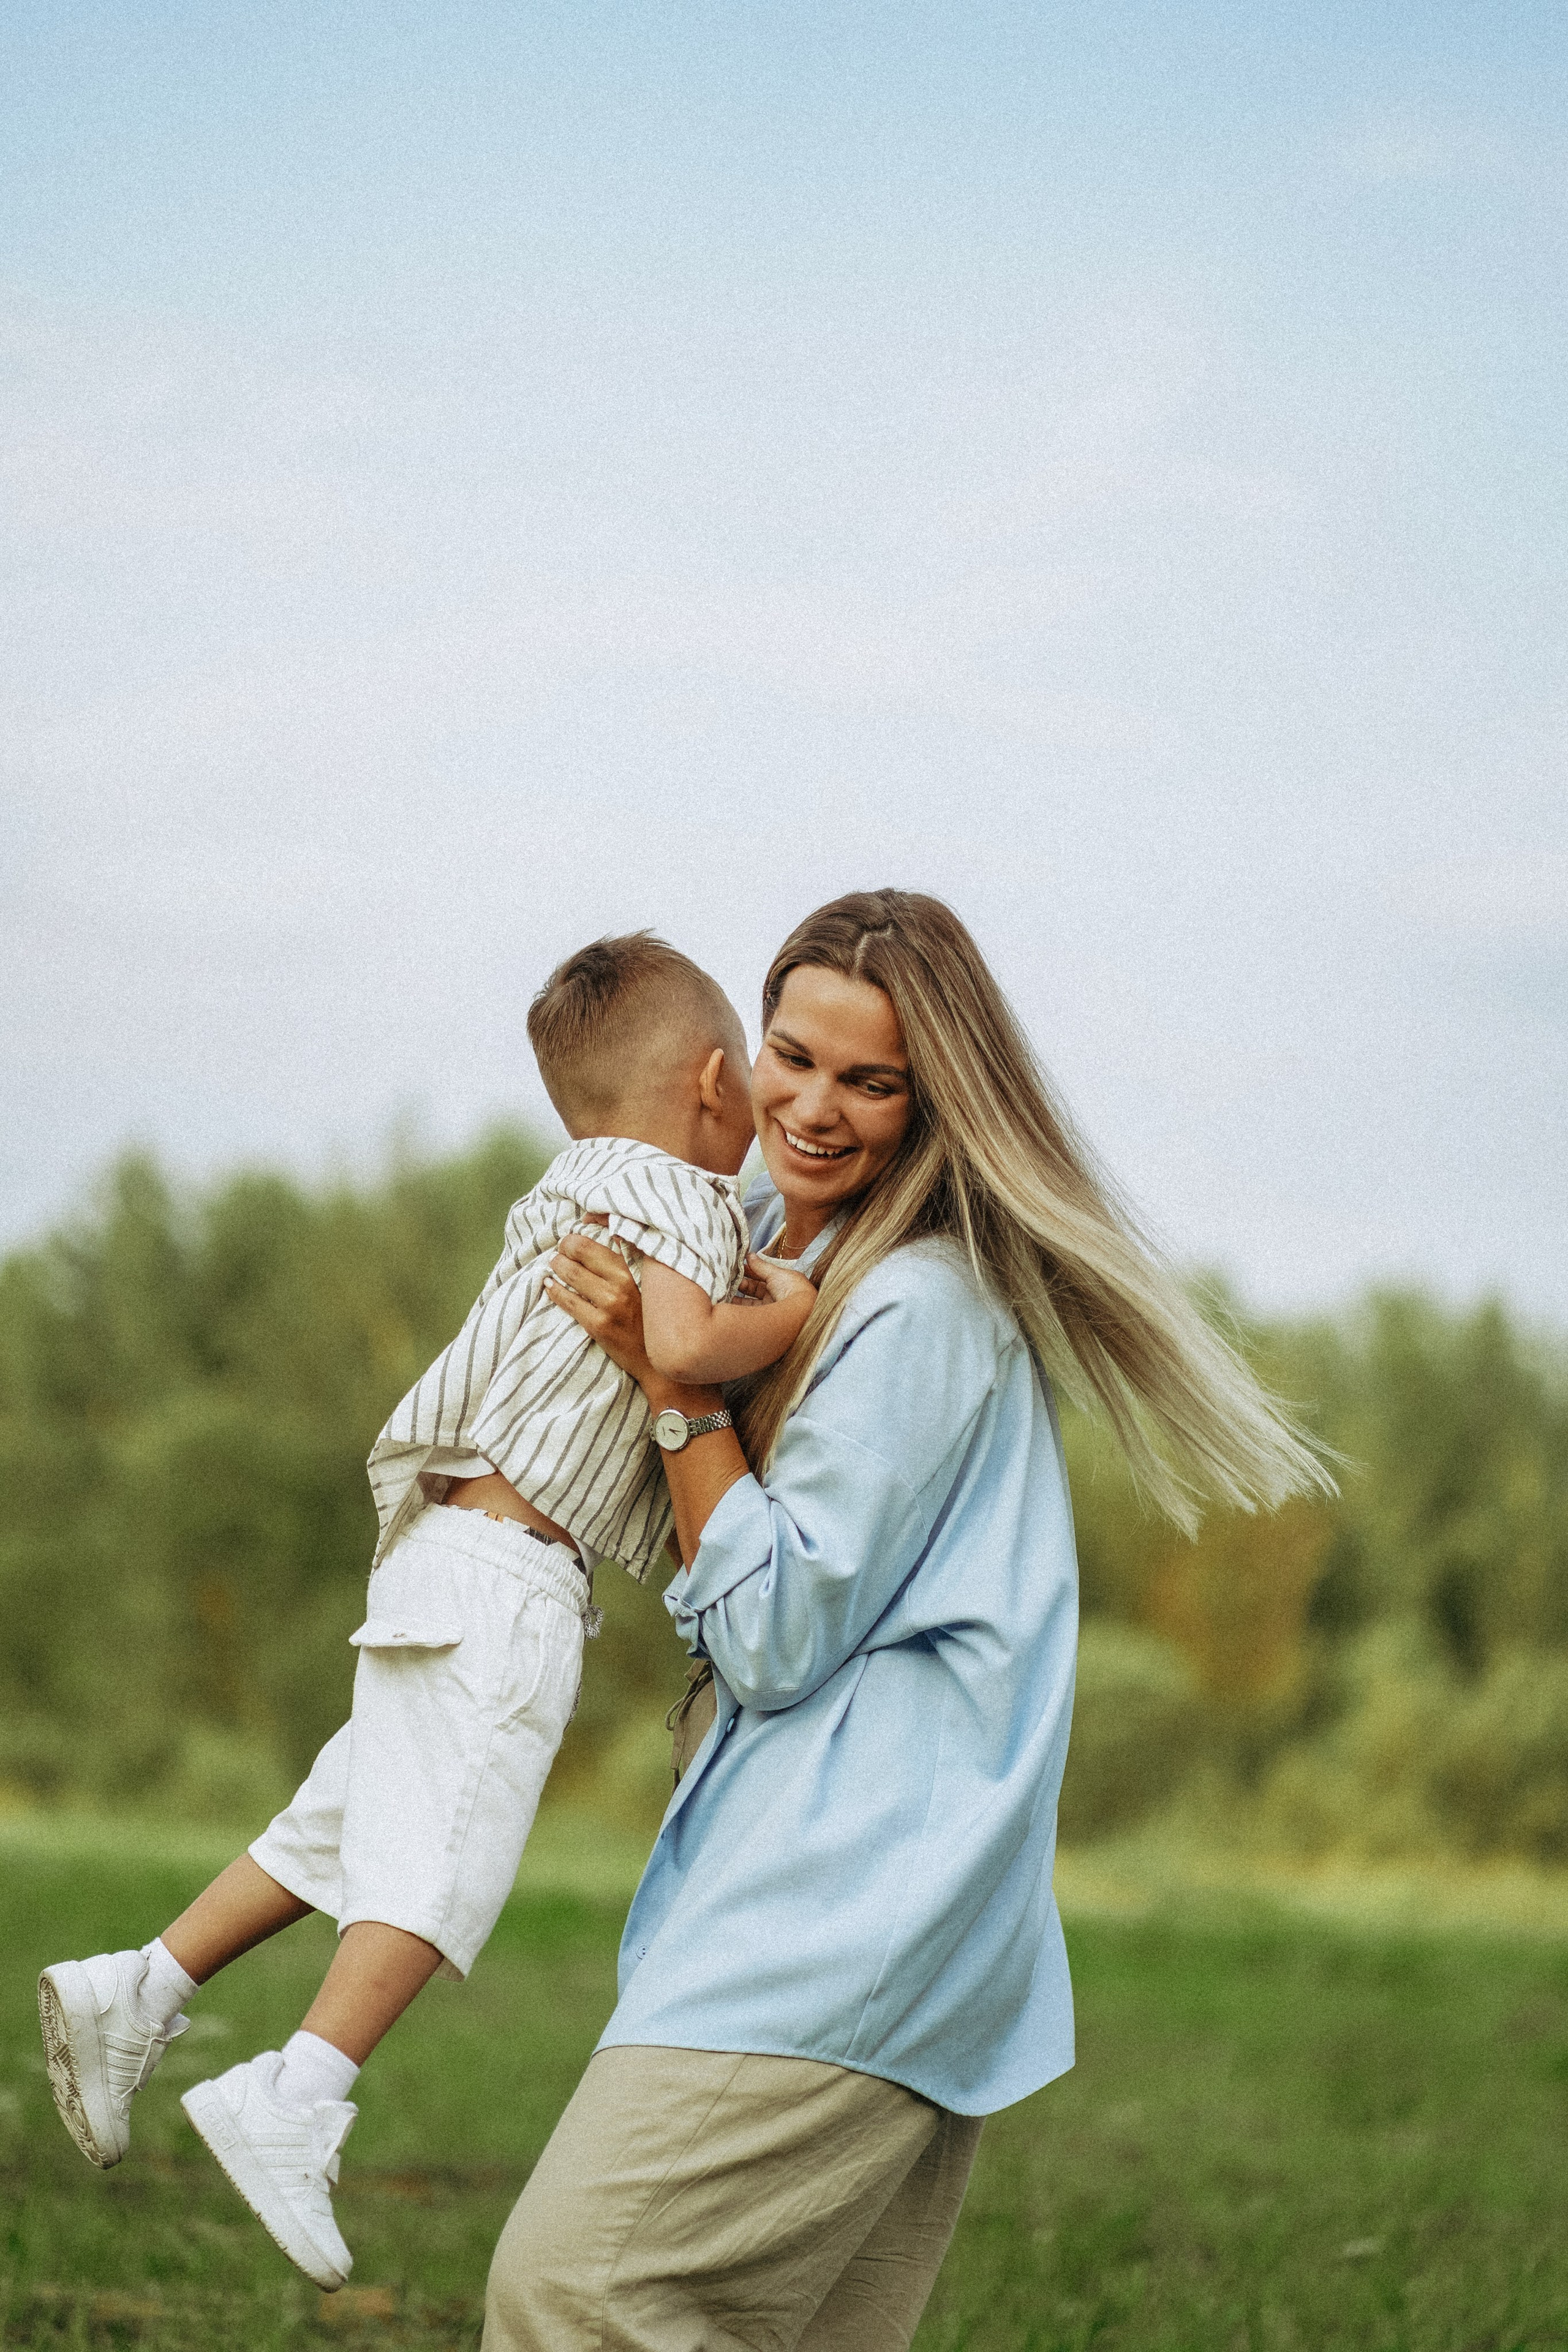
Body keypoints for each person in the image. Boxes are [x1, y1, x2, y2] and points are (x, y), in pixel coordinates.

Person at [484, 888, 1332, 2352]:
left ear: (931, 1099)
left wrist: (679, 1393)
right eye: (789, 1055)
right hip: (874, 1908)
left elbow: (771, 1633)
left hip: (847, 1902)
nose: (813, 1107)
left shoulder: (919, 1309)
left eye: (869, 1080)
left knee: (573, 2294)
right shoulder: (765, 1249)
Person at [36, 933, 817, 2293]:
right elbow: (686, 1352)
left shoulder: (574, 1181)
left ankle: (139, 1988)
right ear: (712, 1085)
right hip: (509, 1578)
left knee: (343, 1827)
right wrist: (794, 1314)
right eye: (761, 1067)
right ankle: (300, 2092)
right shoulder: (688, 1202)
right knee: (445, 1854)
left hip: (440, 1551)